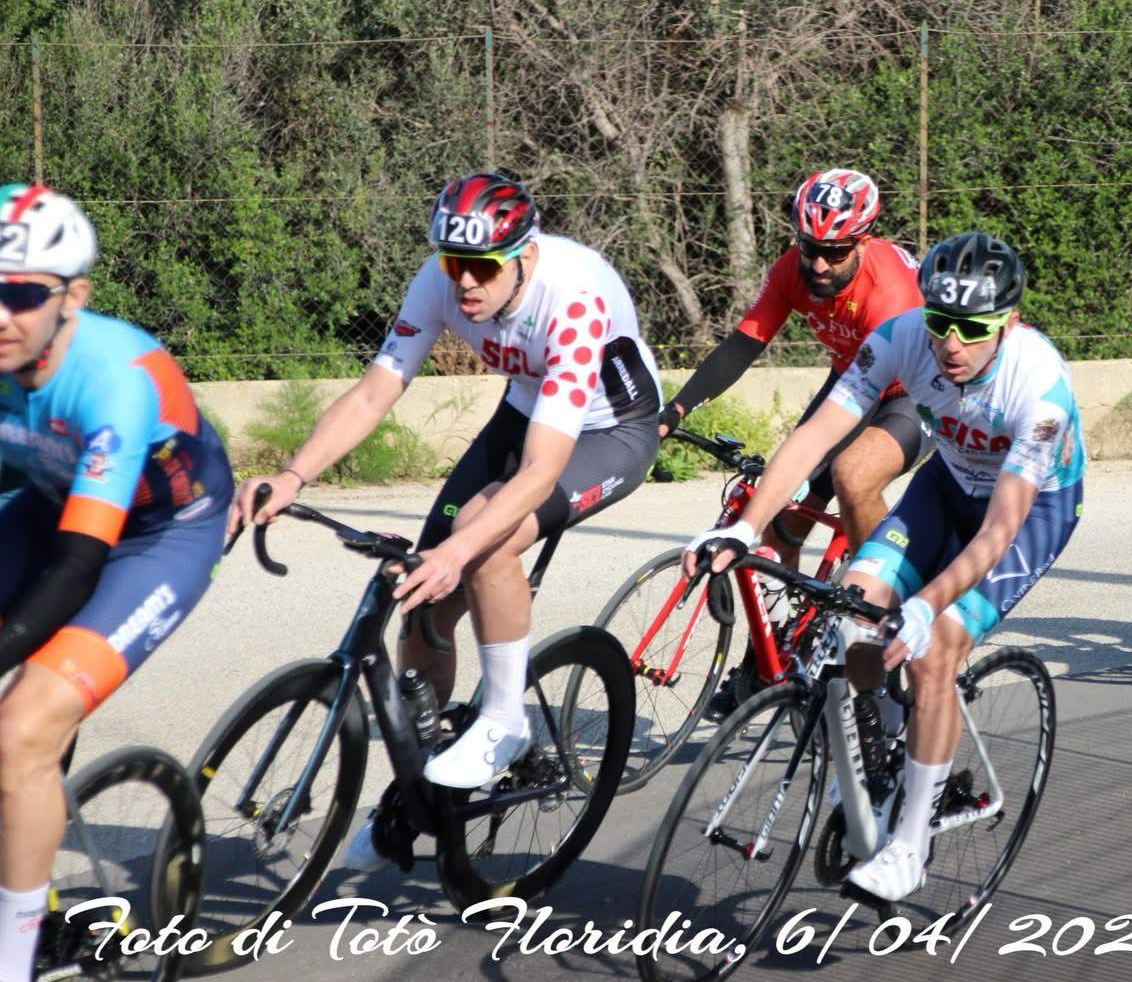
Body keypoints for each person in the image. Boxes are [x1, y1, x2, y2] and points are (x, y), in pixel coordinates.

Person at [227, 173, 662, 865]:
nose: (464, 282)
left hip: (610, 429)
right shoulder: (441, 280)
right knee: (422, 600)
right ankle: (416, 793)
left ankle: (505, 720)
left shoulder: (574, 297)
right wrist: (290, 475)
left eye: (481, 267)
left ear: (523, 256)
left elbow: (540, 473)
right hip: (527, 407)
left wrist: (461, 551)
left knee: (482, 543)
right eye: (453, 261)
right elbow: (374, 392)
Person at [684, 232, 1084, 901]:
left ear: (1008, 323)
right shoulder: (900, 338)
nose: (951, 343)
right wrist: (746, 526)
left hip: (1028, 514)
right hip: (947, 487)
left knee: (936, 650)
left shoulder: (1039, 387)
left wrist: (926, 606)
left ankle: (910, 845)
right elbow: (815, 435)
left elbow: (998, 532)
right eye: (940, 322)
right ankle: (888, 746)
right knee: (852, 610)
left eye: (972, 329)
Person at [0, 185, 234, 981]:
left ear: (73, 298)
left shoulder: (117, 377)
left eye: (22, 294)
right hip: (44, 497)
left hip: (156, 535)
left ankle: (14, 958)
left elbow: (75, 570)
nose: (1, 314)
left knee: (23, 724)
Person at [660, 168, 928, 715]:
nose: (819, 265)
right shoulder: (793, 268)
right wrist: (676, 408)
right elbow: (744, 344)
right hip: (853, 381)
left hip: (915, 392)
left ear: (864, 241)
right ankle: (778, 653)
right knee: (781, 517)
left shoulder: (890, 293)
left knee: (853, 476)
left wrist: (828, 463)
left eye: (834, 252)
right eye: (810, 249)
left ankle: (880, 616)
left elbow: (875, 401)